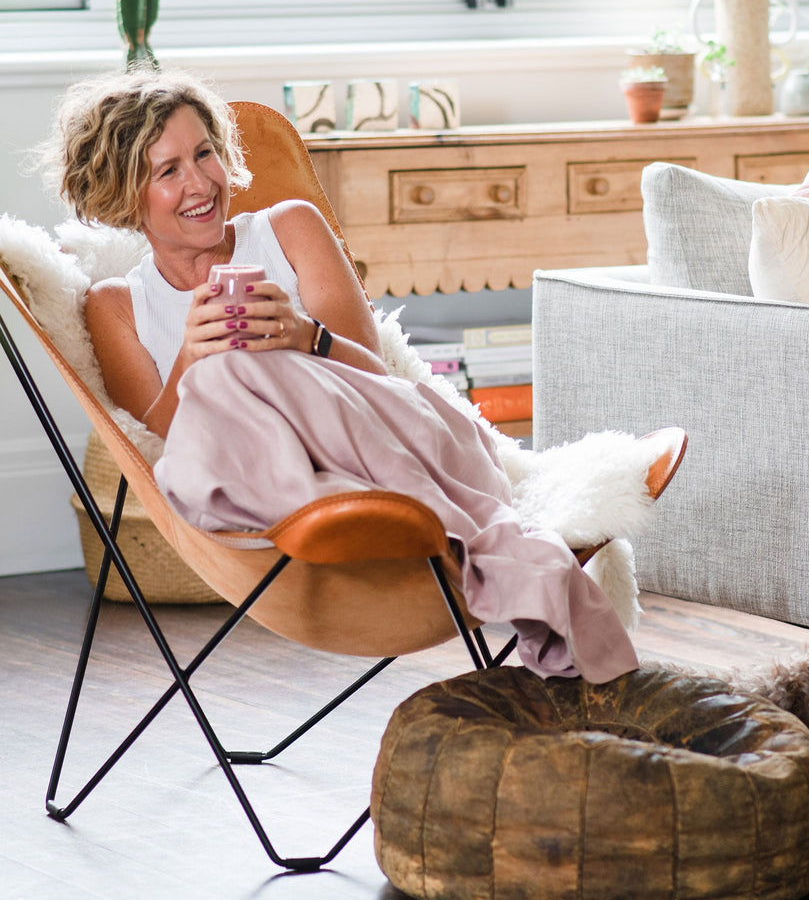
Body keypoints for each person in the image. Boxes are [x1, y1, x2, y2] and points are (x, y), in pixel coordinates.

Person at [44, 67, 639, 684]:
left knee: (243, 371)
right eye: (168, 171)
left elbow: (379, 380)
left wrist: (304, 337)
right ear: (124, 192)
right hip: (271, 490)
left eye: (205, 153)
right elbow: (161, 439)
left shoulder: (289, 227)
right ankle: (501, 558)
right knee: (216, 387)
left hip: (393, 444)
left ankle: (416, 519)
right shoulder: (117, 305)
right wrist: (194, 357)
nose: (200, 182)